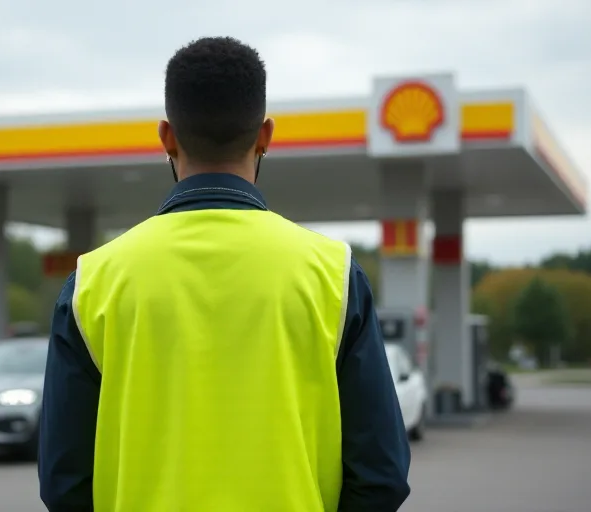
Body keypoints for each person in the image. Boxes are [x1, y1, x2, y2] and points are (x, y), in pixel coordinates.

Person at [38, 36, 411, 512]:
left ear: (167, 138)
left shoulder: (94, 282)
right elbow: (381, 475)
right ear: (265, 136)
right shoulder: (333, 275)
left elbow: (63, 483)